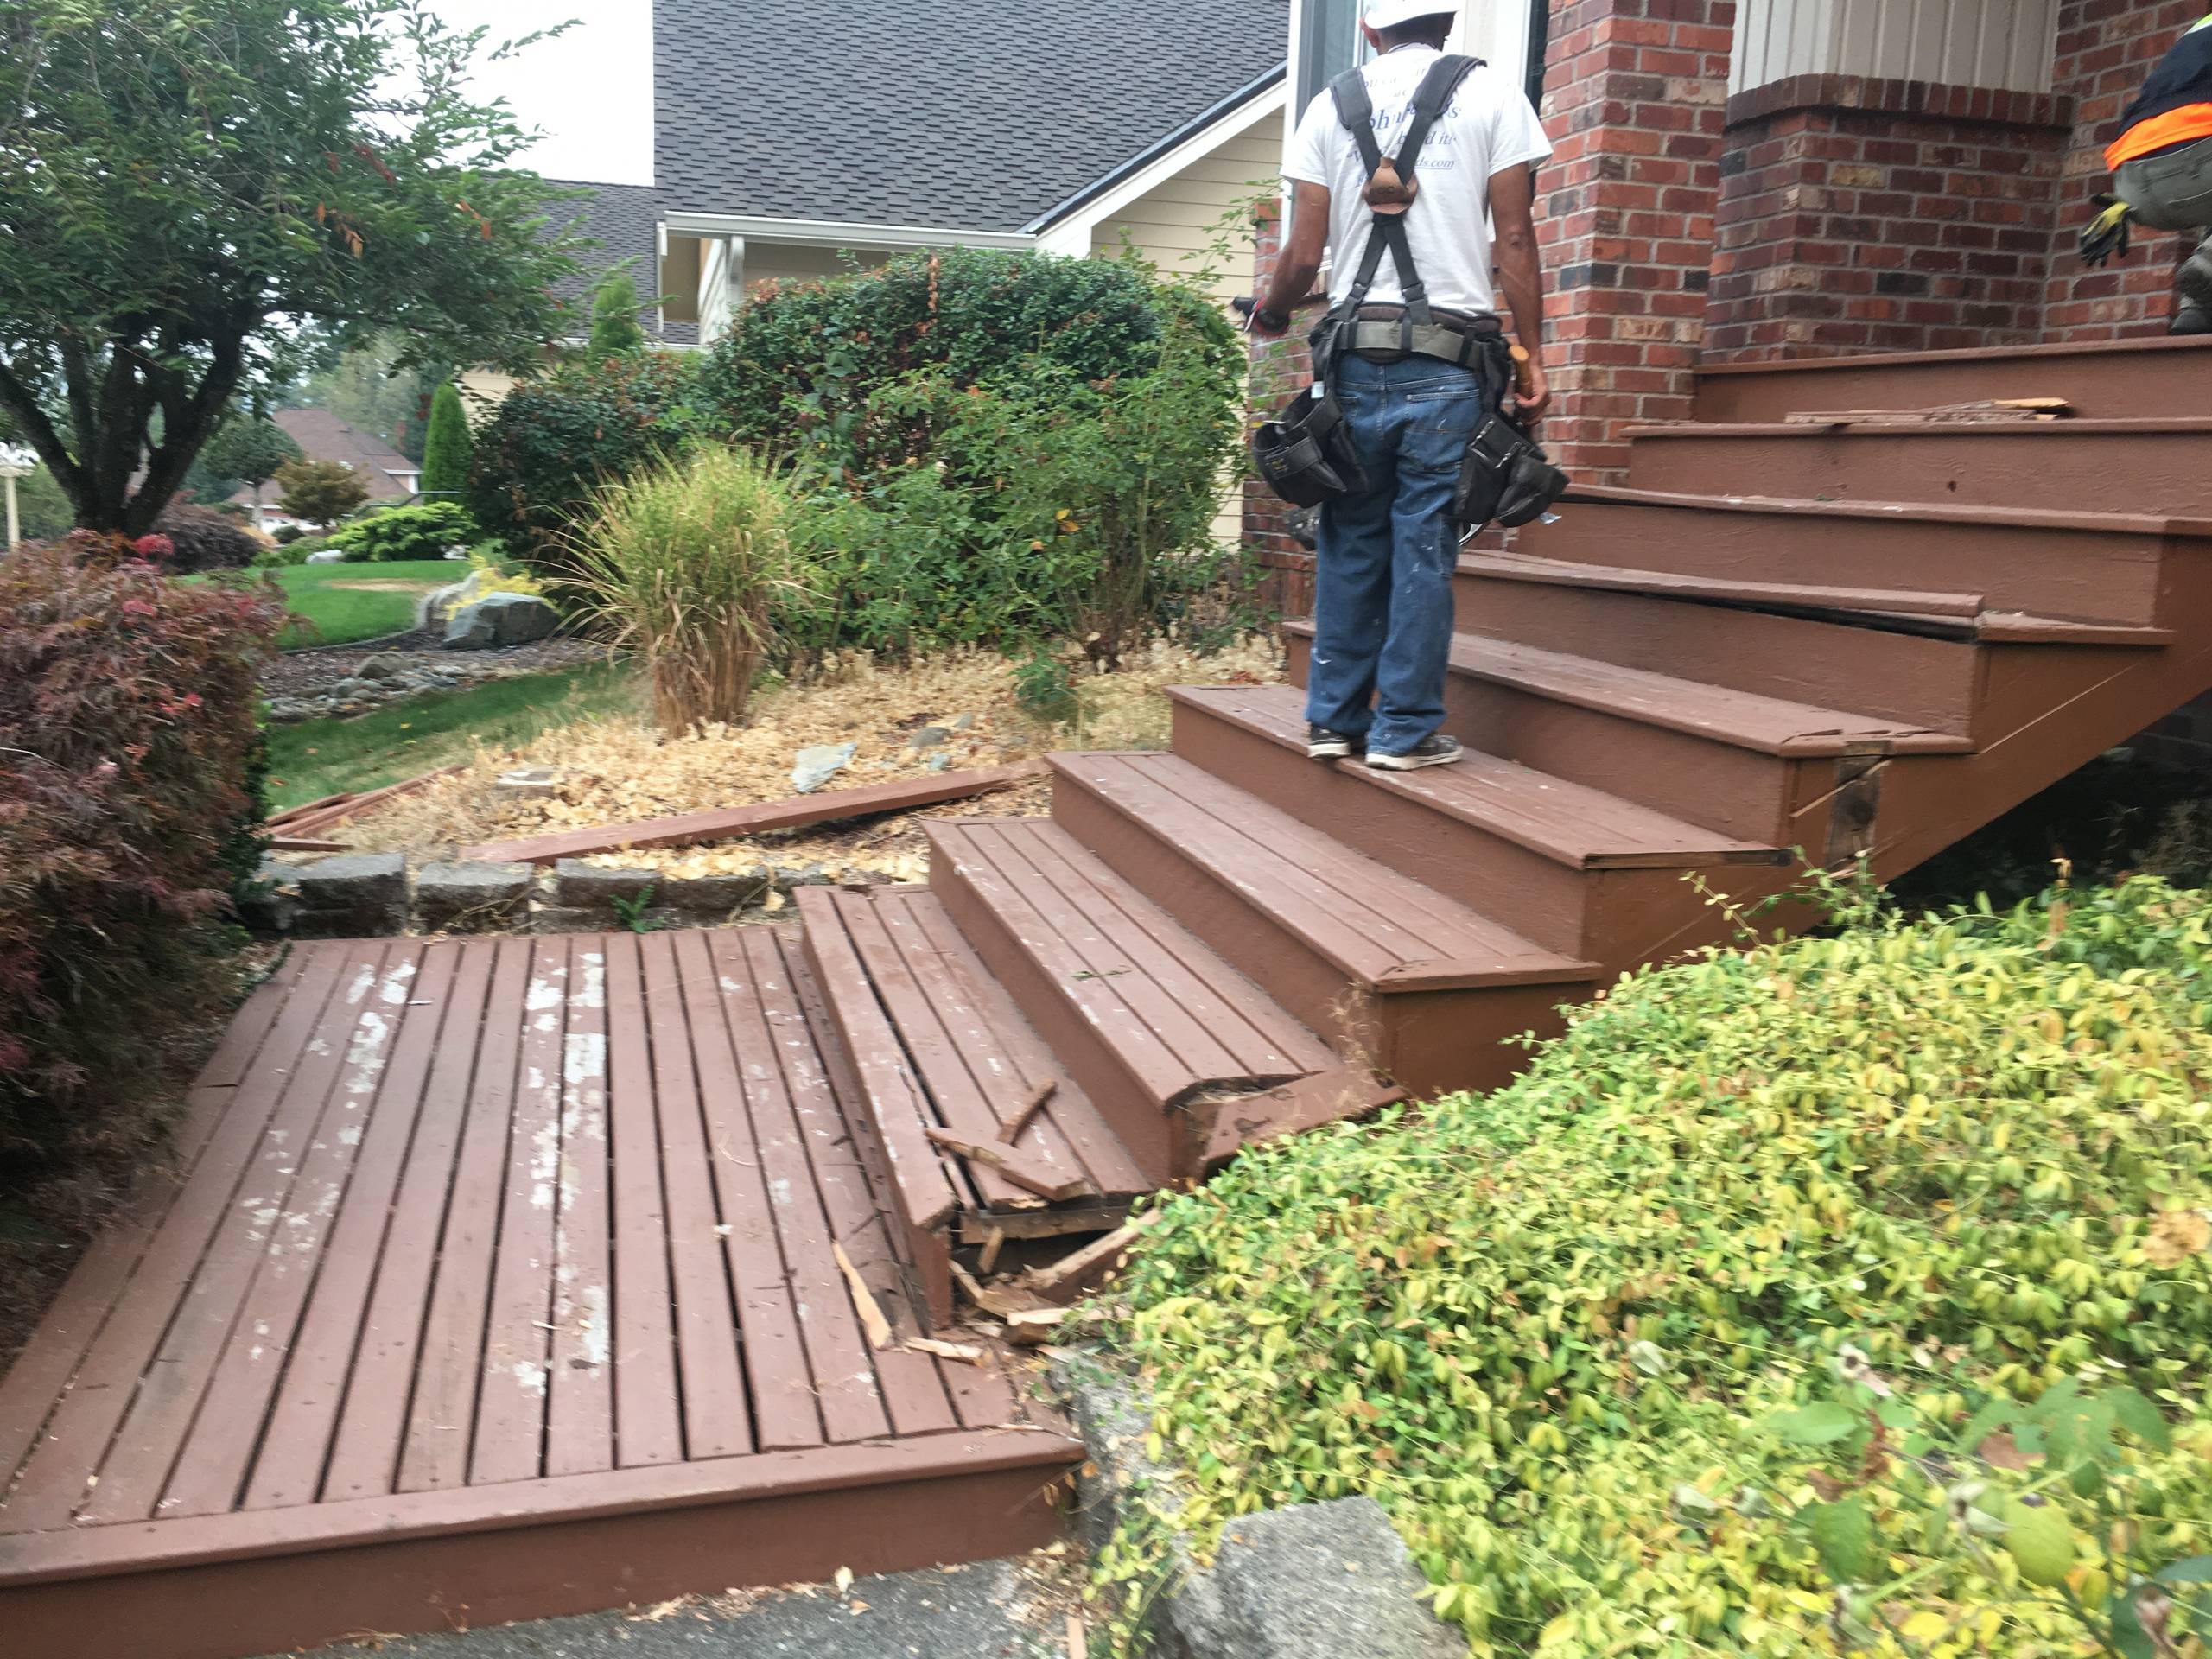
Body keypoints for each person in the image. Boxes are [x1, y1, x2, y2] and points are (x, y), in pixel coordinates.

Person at [1249, 1, 1553, 772]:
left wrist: (1272, 312)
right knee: (1424, 545)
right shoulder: (1494, 95)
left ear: (1369, 27)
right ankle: (1403, 733)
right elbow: (1515, 238)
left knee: (1351, 537)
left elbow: (1303, 251)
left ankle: (1332, 722)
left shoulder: (1331, 105)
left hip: (1353, 360)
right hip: (1449, 365)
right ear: (1447, 23)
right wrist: (1532, 358)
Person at [2107, 11, 2212, 334]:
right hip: (2195, 157)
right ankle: (2208, 265)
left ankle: (2197, 311)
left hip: (2131, 179)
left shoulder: (2203, 25)